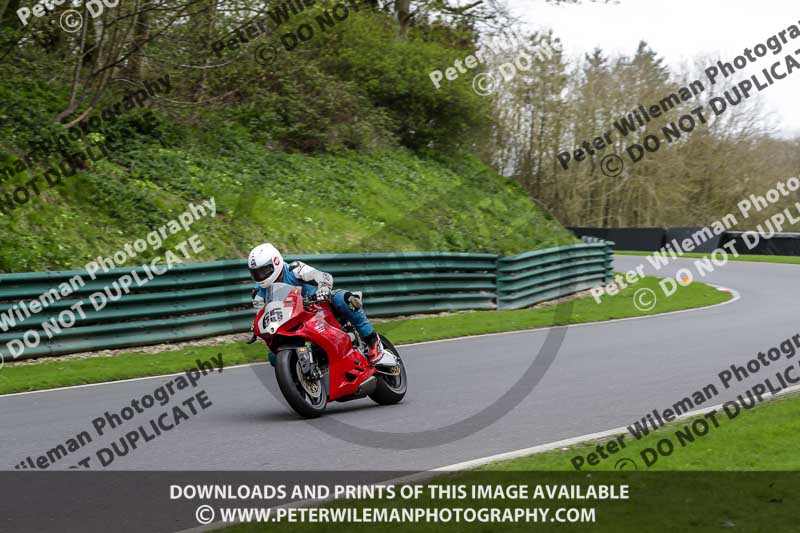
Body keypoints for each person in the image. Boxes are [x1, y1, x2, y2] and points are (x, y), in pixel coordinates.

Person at [247, 243, 387, 363]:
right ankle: (299, 378)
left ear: (276, 262)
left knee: (344, 299)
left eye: (264, 271)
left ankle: (372, 340)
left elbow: (323, 276)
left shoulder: (295, 269)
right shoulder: (259, 295)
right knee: (274, 357)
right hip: (292, 324)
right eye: (256, 273)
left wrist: (324, 288)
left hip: (317, 306)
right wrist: (257, 327)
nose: (260, 276)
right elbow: (262, 315)